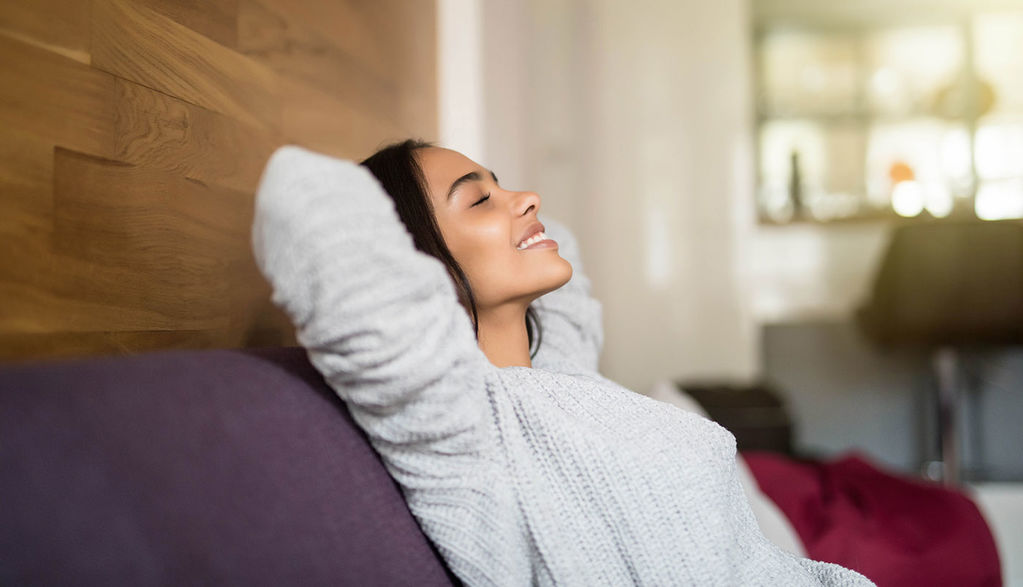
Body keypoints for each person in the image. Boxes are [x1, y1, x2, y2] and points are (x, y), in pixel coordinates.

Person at [251, 140, 874, 586]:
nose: (527, 197)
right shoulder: (459, 427)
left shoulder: (563, 372)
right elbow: (304, 201)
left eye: (502, 185)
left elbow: (564, 251)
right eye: (478, 202)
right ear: (423, 271)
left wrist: (490, 217)